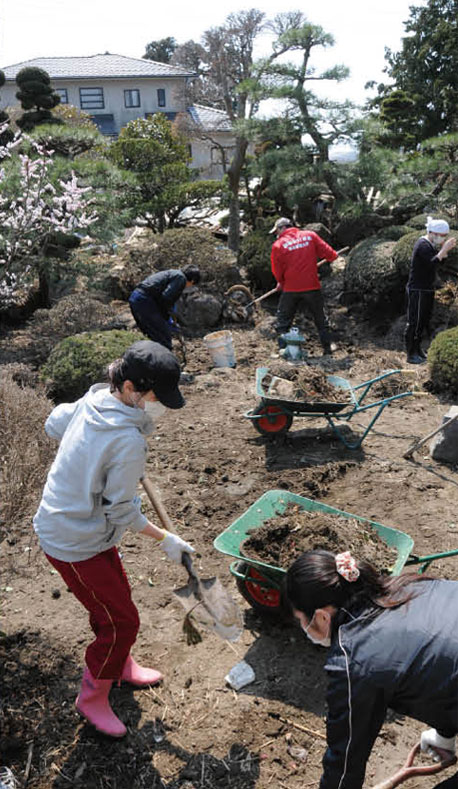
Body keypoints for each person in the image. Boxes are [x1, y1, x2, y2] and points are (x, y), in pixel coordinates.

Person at [33, 340, 195, 738]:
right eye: (156, 396)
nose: (158, 404)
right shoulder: (127, 440)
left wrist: (90, 452)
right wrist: (166, 539)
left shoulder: (96, 397)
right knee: (122, 620)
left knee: (114, 601)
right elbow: (119, 511)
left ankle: (119, 664)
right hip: (72, 538)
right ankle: (91, 697)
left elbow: (53, 423)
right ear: (129, 389)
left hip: (86, 527)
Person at [284, 549, 458, 788]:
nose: (303, 627)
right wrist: (443, 734)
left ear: (322, 617)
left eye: (301, 619)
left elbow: (345, 760)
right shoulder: (410, 586)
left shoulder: (353, 659)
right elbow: (440, 662)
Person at [270, 217, 338, 355]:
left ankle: (283, 350)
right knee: (320, 318)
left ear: (283, 228)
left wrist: (281, 282)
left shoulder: (278, 245)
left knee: (283, 321)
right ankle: (327, 348)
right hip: (312, 286)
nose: (276, 234)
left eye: (276, 231)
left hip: (290, 288)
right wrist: (331, 257)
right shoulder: (310, 236)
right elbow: (331, 255)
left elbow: (277, 270)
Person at [405, 216, 456, 364]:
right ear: (433, 233)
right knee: (415, 321)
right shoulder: (422, 244)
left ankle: (418, 349)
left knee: (423, 321)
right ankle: (411, 353)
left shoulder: (429, 245)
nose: (442, 239)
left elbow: (437, 262)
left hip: (426, 288)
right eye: (442, 236)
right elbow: (430, 263)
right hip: (418, 289)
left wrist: (444, 252)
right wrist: (444, 249)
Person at [129, 265, 201, 351]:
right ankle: (165, 359)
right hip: (144, 300)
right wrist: (167, 317)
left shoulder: (172, 273)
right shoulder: (181, 278)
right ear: (192, 280)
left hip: (135, 298)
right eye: (191, 285)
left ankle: (154, 359)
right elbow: (166, 298)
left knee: (151, 333)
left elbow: (163, 297)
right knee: (163, 334)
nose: (188, 287)